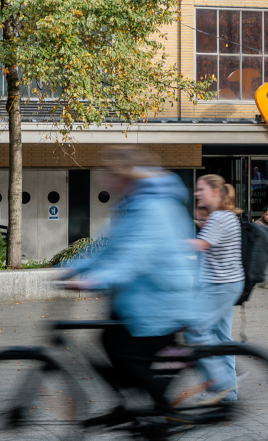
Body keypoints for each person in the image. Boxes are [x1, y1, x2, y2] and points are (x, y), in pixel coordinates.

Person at [60, 147, 198, 411]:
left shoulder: (152, 207)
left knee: (124, 351)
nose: (106, 181)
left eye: (110, 175)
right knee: (109, 341)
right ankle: (136, 405)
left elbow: (136, 258)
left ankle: (158, 414)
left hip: (160, 302)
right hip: (137, 299)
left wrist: (94, 280)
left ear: (126, 176)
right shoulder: (129, 205)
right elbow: (106, 248)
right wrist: (70, 268)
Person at [187, 175, 245, 404]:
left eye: (200, 189)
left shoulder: (220, 218)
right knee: (221, 337)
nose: (196, 193)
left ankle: (220, 382)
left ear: (214, 192)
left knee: (194, 329)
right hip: (226, 284)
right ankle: (228, 393)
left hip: (220, 285)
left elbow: (201, 245)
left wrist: (166, 245)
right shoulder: (223, 217)